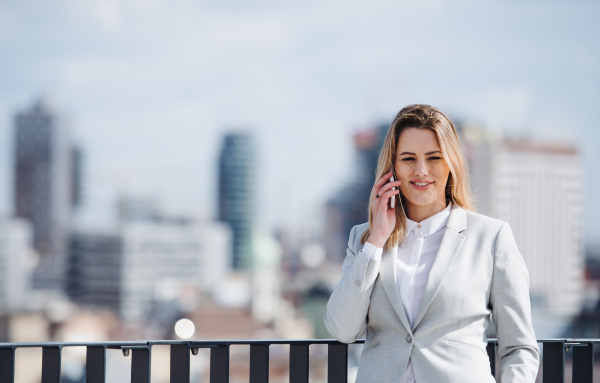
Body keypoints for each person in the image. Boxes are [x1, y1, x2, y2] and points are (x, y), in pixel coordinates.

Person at [324, 104, 539, 382]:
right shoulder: (364, 238)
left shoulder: (491, 238)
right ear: (393, 167)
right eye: (408, 158)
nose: (421, 170)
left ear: (452, 163)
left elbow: (520, 347)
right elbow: (342, 329)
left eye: (434, 158)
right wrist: (376, 240)